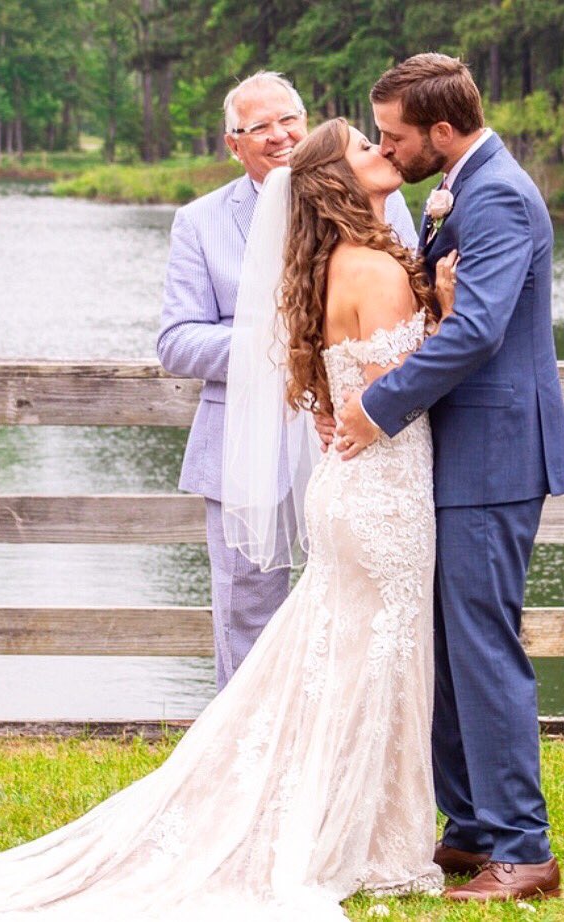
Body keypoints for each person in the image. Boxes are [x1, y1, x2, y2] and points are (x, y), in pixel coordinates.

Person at [0, 117, 458, 921]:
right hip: (383, 494)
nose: (382, 152)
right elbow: (398, 394)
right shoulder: (375, 269)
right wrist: (442, 312)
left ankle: (356, 826)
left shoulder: (331, 264)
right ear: (338, 181)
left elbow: (345, 391)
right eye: (365, 147)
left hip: (351, 490)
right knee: (374, 660)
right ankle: (364, 841)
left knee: (343, 662)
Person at [333, 54, 564, 902]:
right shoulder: (461, 189)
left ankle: (525, 850)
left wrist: (377, 406)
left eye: (395, 136)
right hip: (462, 453)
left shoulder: (498, 194)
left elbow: (477, 331)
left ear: (442, 131)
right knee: (448, 644)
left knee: (481, 646)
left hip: (496, 455)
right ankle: (471, 828)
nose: (386, 149)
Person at [157, 71, 418, 690]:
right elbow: (176, 341)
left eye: (289, 120)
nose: (279, 136)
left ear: (308, 121)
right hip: (247, 448)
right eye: (259, 127)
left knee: (357, 604)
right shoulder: (201, 223)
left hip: (356, 441)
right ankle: (239, 762)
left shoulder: (381, 198)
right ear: (233, 143)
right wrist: (286, 353)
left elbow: (407, 301)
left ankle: (326, 745)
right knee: (248, 609)